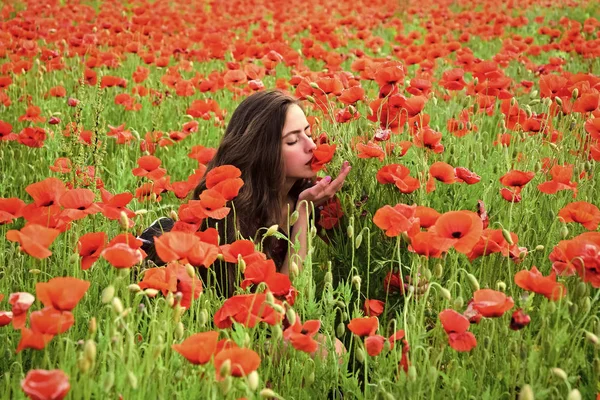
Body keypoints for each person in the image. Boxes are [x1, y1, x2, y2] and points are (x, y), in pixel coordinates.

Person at [139, 90, 351, 297]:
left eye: (309, 133)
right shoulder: (231, 213)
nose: (312, 146)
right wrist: (302, 214)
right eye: (293, 141)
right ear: (262, 151)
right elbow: (283, 300)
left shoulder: (313, 196)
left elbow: (347, 259)